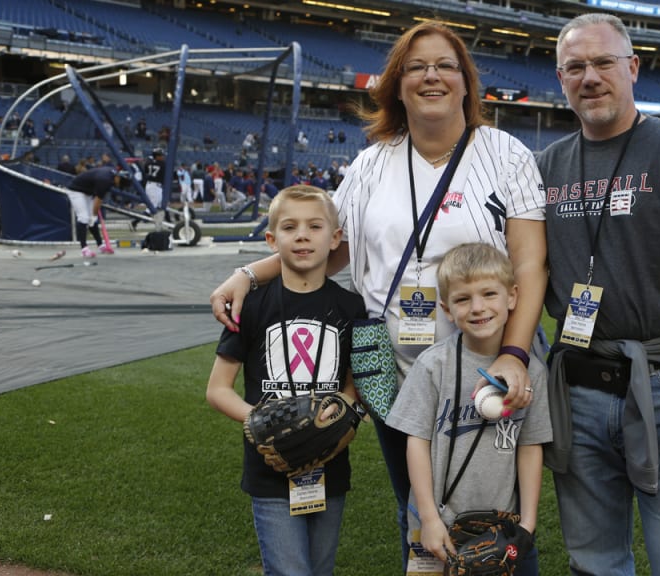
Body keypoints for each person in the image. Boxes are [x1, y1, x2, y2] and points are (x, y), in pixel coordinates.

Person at [208, 21, 548, 572]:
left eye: (444, 65)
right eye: (415, 67)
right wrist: (250, 274)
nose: (430, 76)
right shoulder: (371, 162)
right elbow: (327, 247)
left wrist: (514, 353)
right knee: (416, 511)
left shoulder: (507, 155)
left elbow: (531, 265)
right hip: (395, 371)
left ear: (466, 82)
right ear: (397, 83)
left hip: (485, 368)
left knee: (494, 517)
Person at [538, 13, 660, 576]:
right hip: (576, 385)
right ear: (561, 79)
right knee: (594, 560)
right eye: (575, 67)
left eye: (603, 63)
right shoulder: (545, 167)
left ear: (632, 68)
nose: (590, 77)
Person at [205, 185, 366, 576]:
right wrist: (264, 426)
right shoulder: (252, 304)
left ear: (335, 238)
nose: (303, 235)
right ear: (271, 239)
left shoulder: (352, 306)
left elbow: (355, 384)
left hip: (329, 466)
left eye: (315, 226)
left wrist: (335, 422)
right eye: (290, 227)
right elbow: (217, 389)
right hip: (270, 467)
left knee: (320, 569)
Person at [386, 243, 550, 574]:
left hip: (500, 527)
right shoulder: (433, 365)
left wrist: (528, 524)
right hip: (436, 525)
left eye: (489, 294)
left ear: (513, 297)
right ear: (447, 309)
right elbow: (416, 443)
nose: (478, 308)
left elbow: (530, 446)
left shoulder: (530, 371)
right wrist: (429, 519)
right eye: (463, 299)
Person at [66, 166, 126, 257]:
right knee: (84, 217)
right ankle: (84, 248)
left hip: (88, 192)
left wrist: (93, 216)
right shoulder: (105, 180)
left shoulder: (112, 174)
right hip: (76, 190)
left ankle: (100, 245)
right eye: (120, 183)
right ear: (118, 177)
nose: (118, 185)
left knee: (91, 218)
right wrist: (94, 215)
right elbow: (98, 200)